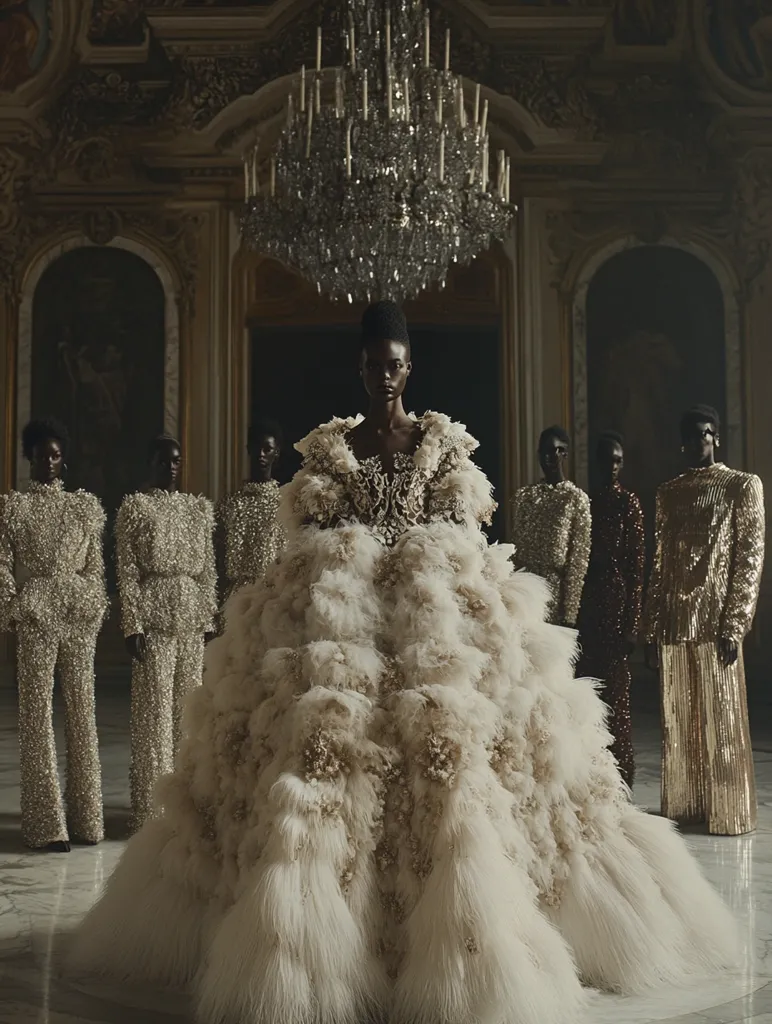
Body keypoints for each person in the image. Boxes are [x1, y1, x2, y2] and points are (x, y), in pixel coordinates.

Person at [72, 304, 738, 1024]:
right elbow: (310, 525)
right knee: (310, 740)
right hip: (340, 614)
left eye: (394, 364)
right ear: (360, 369)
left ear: (408, 368)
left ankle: (472, 933)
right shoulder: (333, 448)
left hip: (432, 611)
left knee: (469, 744)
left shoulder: (440, 445)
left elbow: (459, 522)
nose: (383, 376)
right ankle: (315, 938)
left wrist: (419, 560)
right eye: (372, 364)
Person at [644, 405, 765, 836]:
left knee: (722, 723)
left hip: (716, 625)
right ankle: (686, 807)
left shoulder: (741, 487)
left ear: (716, 438)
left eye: (707, 434)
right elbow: (658, 566)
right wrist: (652, 627)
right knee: (681, 725)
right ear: (682, 442)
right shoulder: (668, 493)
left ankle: (729, 812)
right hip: (676, 624)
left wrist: (735, 623)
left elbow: (748, 560)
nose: (701, 442)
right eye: (693, 435)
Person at [0, 418, 106, 852]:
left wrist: (94, 603)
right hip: (36, 617)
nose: (48, 461)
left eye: (55, 454)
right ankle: (47, 824)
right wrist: (14, 608)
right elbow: (2, 564)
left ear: (64, 460)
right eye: (41, 453)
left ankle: (87, 821)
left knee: (82, 711)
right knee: (36, 714)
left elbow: (96, 567)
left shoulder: (84, 507)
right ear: (29, 457)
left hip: (78, 616)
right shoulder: (13, 507)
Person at [115, 434, 217, 830]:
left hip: (191, 621)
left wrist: (209, 620)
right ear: (150, 463)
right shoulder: (135, 508)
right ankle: (149, 809)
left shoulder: (197, 509)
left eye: (176, 461)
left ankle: (182, 807)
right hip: (154, 620)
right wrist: (132, 623)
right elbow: (126, 571)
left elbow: (208, 571)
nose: (170, 467)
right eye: (162, 461)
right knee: (152, 715)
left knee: (186, 714)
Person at [577, 432, 645, 789]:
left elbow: (636, 570)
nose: (612, 468)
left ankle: (622, 777)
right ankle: (592, 775)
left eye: (618, 461)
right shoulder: (587, 502)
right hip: (588, 607)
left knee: (617, 697)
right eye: (607, 461)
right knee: (588, 692)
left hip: (616, 607)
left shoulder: (628, 504)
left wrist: (631, 625)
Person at [510, 426, 591, 626]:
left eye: (554, 450)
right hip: (526, 592)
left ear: (563, 453)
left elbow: (577, 562)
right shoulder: (525, 497)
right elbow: (515, 552)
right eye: (543, 452)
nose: (548, 457)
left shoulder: (575, 499)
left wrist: (570, 613)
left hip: (555, 593)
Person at [215, 417, 286, 612]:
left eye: (267, 449)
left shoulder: (284, 502)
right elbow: (217, 559)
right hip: (234, 600)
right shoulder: (230, 503)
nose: (261, 455)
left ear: (276, 452)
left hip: (272, 599)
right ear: (248, 449)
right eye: (256, 448)